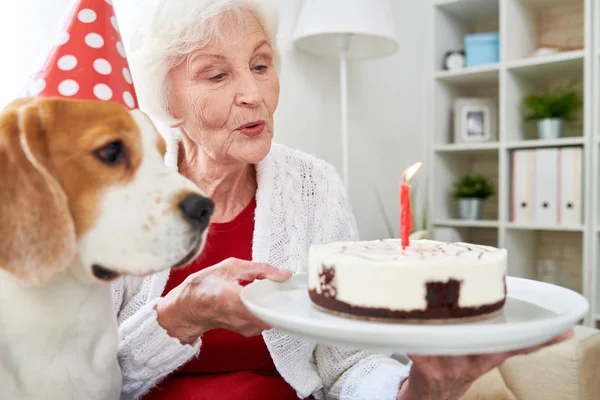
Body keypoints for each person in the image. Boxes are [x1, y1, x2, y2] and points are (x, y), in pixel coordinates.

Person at [112, 1, 571, 399]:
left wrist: (420, 390)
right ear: (165, 99)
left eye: (260, 65)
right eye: (216, 75)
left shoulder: (315, 186)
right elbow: (94, 380)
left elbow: (347, 364)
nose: (253, 95)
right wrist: (181, 313)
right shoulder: (119, 195)